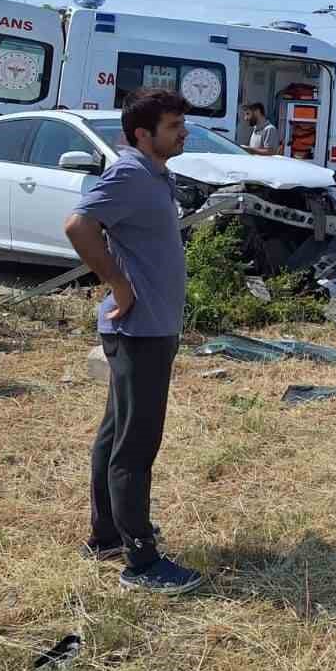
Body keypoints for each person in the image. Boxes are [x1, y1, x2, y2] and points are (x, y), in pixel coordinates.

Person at [64, 88, 204, 595]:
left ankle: (106, 536)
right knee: (136, 443)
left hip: (149, 328)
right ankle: (141, 561)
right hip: (139, 330)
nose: (183, 132)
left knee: (115, 433)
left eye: (181, 124)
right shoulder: (128, 174)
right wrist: (119, 285)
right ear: (143, 134)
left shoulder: (153, 174)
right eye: (173, 126)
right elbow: (79, 225)